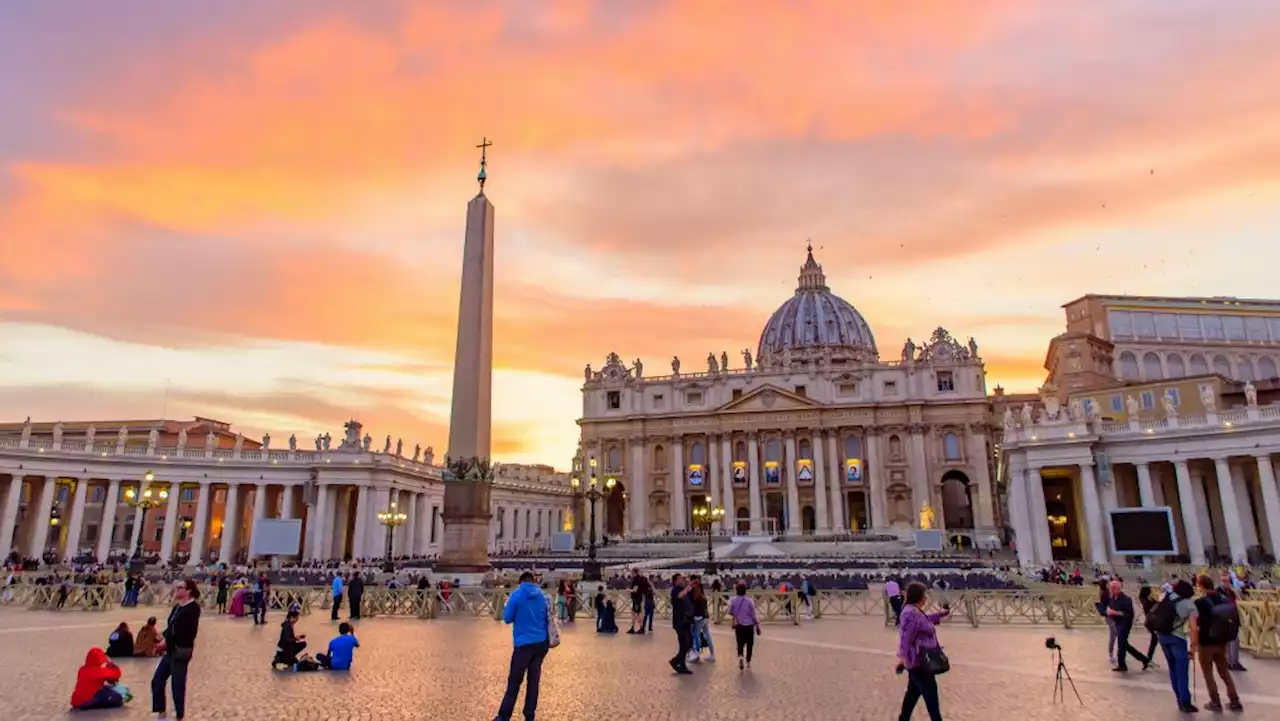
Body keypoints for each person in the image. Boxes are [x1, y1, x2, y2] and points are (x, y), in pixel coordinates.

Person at [495, 571, 551, 721]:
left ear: (520, 582)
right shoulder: (544, 596)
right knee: (533, 681)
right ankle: (529, 715)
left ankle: (504, 716)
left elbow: (507, 618)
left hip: (523, 644)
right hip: (541, 644)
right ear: (533, 581)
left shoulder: (517, 595)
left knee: (514, 681)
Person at [896, 581, 949, 721]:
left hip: (916, 661)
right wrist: (902, 658)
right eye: (924, 595)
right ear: (919, 597)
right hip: (920, 661)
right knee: (931, 696)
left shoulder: (913, 611)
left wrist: (940, 615)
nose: (926, 598)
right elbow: (906, 638)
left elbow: (924, 620)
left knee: (912, 694)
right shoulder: (911, 613)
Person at [151, 579, 201, 721]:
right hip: (171, 648)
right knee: (157, 680)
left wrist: (165, 642)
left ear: (188, 590)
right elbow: (171, 627)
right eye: (176, 587)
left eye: (179, 587)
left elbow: (184, 631)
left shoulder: (193, 608)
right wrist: (161, 637)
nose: (176, 590)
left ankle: (180, 716)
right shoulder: (177, 607)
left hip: (181, 650)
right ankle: (161, 714)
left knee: (177, 685)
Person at [1192, 574, 1243, 711]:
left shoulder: (1200, 603)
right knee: (1224, 672)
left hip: (1206, 642)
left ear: (1200, 586)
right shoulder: (1225, 599)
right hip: (1222, 640)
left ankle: (1215, 701)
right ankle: (1234, 700)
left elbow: (1196, 624)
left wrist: (1194, 644)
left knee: (1208, 673)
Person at [1151, 579, 1198, 713]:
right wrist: (1193, 648)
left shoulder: (1168, 596)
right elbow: (1193, 628)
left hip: (1163, 636)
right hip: (1177, 638)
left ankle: (1179, 699)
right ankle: (1185, 702)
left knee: (1173, 669)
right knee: (1182, 671)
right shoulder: (1190, 604)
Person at [1105, 579, 1149, 672]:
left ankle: (1122, 665)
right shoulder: (1113, 598)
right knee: (1125, 645)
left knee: (1121, 644)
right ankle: (1144, 659)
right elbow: (1111, 606)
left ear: (1117, 588)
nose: (1111, 590)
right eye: (1111, 588)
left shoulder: (1126, 599)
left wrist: (1115, 612)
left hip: (1125, 624)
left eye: (1113, 588)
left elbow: (1129, 614)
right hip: (1117, 623)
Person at [727, 582, 761, 670]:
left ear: (736, 591)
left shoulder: (733, 600)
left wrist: (736, 614)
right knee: (750, 644)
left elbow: (729, 611)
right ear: (745, 591)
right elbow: (753, 614)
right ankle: (748, 661)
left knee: (740, 643)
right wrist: (757, 625)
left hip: (739, 625)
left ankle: (740, 657)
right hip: (749, 626)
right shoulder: (750, 601)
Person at [669, 573, 695, 675]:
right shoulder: (675, 590)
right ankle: (680, 664)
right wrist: (688, 587)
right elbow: (680, 596)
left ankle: (677, 661)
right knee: (684, 643)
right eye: (680, 579)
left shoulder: (683, 589)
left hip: (686, 620)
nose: (682, 580)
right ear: (675, 581)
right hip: (679, 621)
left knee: (689, 643)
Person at [689, 576, 715, 662]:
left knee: (695, 635)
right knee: (707, 634)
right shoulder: (702, 594)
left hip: (698, 617)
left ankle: (696, 654)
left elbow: (692, 606)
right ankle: (712, 654)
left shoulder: (693, 594)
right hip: (705, 616)